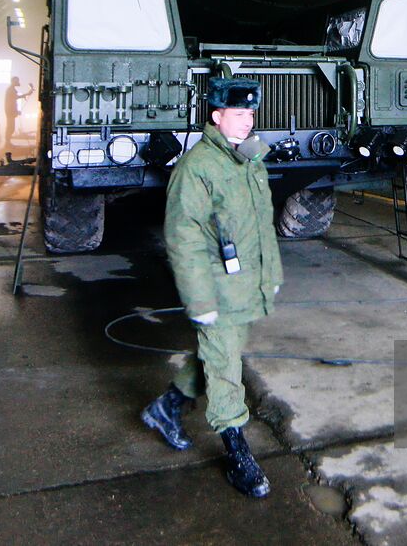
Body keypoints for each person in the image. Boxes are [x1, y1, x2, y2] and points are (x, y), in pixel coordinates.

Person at [141, 77, 283, 498]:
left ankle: (166, 407)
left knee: (221, 353)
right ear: (217, 116)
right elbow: (183, 239)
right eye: (238, 114)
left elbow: (263, 228)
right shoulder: (198, 167)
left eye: (251, 113)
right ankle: (238, 454)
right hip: (216, 289)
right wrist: (199, 299)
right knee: (225, 367)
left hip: (245, 286)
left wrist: (270, 277)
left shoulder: (249, 159)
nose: (247, 121)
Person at [3, 76, 32, 149]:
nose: (18, 82)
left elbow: (13, 100)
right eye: (17, 81)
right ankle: (7, 143)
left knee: (11, 127)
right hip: (10, 111)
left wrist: (16, 111)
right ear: (13, 82)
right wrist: (27, 94)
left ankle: (8, 143)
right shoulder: (11, 90)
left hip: (10, 111)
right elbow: (14, 98)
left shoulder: (11, 89)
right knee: (10, 127)